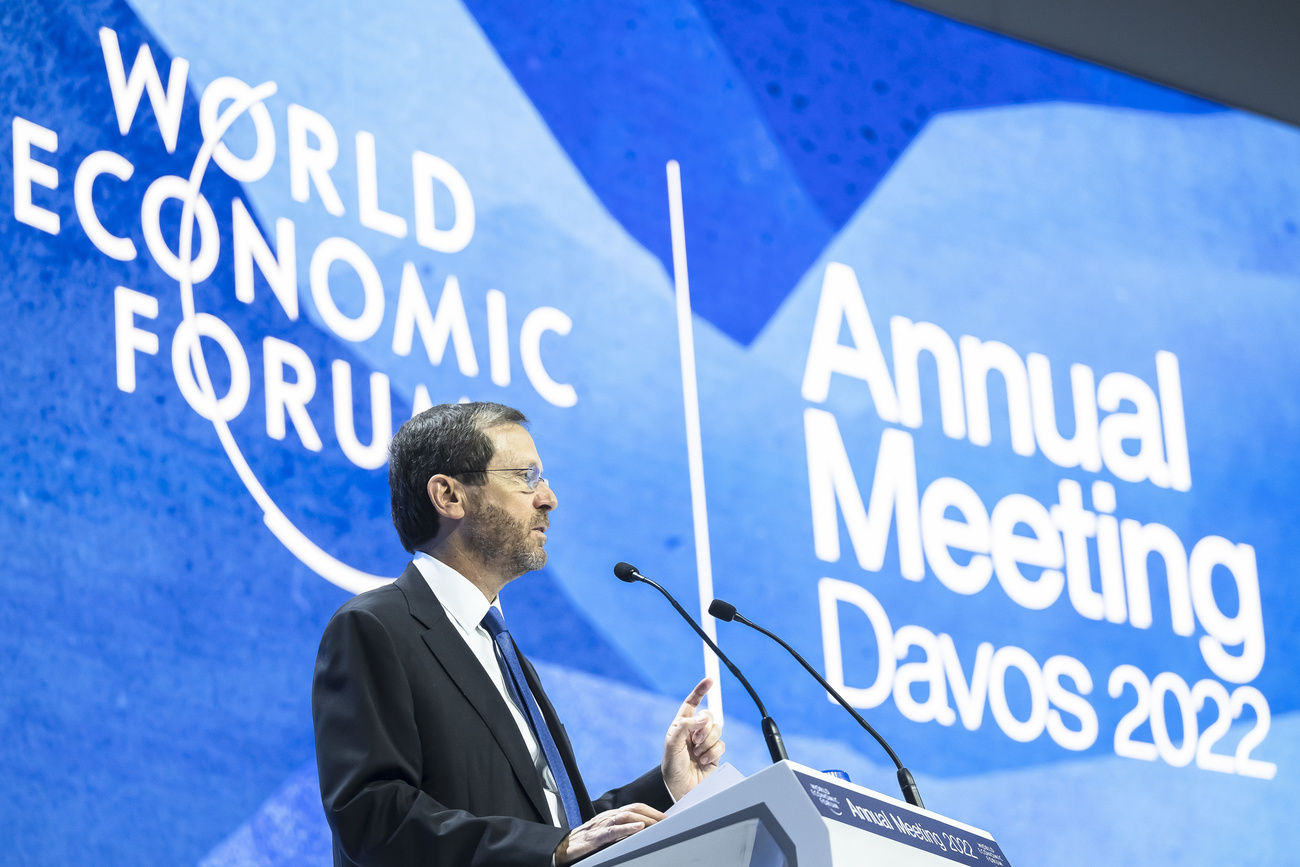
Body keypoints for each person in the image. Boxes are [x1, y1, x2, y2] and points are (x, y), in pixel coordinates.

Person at [313, 402, 725, 866]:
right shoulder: (376, 627)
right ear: (449, 496)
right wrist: (553, 847)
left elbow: (561, 831)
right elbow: (373, 819)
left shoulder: (500, 648)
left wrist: (669, 786)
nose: (548, 498)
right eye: (525, 476)